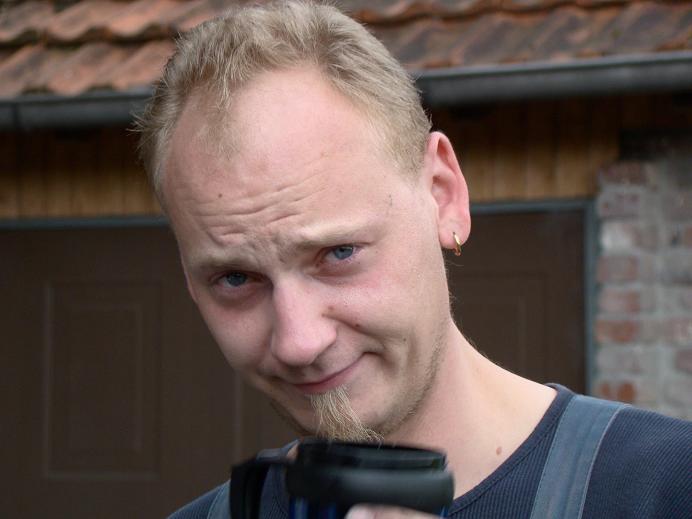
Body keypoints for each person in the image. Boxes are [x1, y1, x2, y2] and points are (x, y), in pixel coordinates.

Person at [137, 1, 692, 518]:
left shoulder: (666, 489)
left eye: (339, 253)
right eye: (236, 278)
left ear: (443, 195)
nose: (299, 342)